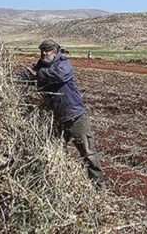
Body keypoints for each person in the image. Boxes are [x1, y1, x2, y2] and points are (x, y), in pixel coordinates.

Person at [19, 39, 104, 188]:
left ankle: (98, 188)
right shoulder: (40, 65)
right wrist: (12, 80)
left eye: (48, 50)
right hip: (55, 119)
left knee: (88, 154)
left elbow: (59, 75)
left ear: (56, 52)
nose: (44, 53)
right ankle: (60, 186)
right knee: (56, 153)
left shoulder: (63, 64)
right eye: (42, 50)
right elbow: (28, 75)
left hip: (75, 117)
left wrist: (37, 75)